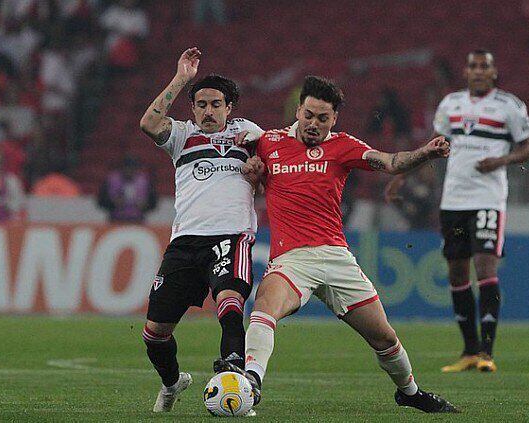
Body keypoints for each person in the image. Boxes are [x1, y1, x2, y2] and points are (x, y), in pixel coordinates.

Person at [217, 75, 459, 413]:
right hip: (291, 259)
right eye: (309, 115)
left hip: (335, 257)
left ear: (334, 119)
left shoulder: (343, 146)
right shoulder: (267, 142)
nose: (314, 123)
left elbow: (390, 162)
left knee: (385, 338)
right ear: (298, 110)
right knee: (263, 307)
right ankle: (252, 382)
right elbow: (238, 163)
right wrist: (251, 169)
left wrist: (425, 153)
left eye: (323, 118)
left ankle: (409, 392)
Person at [387, 50, 529, 373]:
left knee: (485, 267)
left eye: (485, 66)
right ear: (466, 72)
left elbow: (528, 146)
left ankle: (487, 351)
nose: (479, 71)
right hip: (453, 200)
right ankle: (469, 351)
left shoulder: (509, 106)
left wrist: (501, 160)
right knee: (456, 273)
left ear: (494, 72)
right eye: (473, 66)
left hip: (488, 199)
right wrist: (400, 176)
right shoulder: (450, 105)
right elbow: (434, 144)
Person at [138, 47, 264, 413]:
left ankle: (237, 381)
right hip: (184, 243)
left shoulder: (250, 133)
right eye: (201, 104)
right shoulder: (181, 135)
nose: (209, 111)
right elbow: (148, 124)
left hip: (232, 236)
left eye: (216, 104)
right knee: (155, 333)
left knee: (229, 305)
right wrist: (181, 78)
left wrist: (258, 168)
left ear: (230, 107)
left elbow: (275, 168)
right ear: (192, 108)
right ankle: (173, 382)